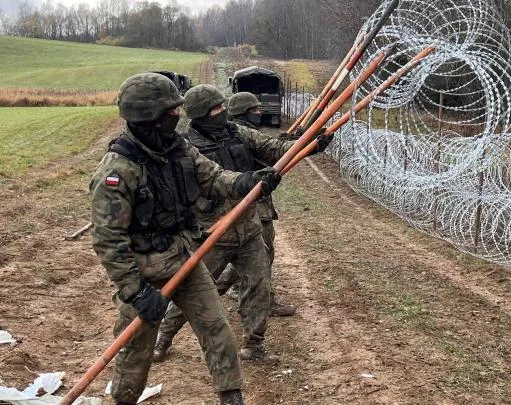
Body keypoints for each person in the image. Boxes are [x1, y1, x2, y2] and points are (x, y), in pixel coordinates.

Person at [90, 73, 282, 405]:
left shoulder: (179, 149)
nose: (177, 118)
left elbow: (214, 177)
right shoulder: (118, 171)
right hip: (144, 276)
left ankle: (232, 398)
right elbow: (109, 241)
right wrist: (135, 292)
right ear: (148, 118)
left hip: (186, 259)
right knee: (135, 353)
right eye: (170, 113)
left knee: (218, 332)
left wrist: (247, 183)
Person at [152, 85, 332, 363]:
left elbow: (274, 148)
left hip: (248, 227)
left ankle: (254, 345)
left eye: (223, 107)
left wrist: (310, 145)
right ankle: (163, 338)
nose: (222, 112)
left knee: (258, 285)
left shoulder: (238, 132)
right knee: (192, 289)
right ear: (200, 115)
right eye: (215, 110)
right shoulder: (185, 147)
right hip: (213, 231)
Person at [224, 92, 322, 317]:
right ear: (244, 112)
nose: (260, 113)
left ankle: (233, 287)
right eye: (255, 110)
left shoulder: (239, 132)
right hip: (254, 204)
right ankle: (262, 301)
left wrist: (294, 139)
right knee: (262, 254)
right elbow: (271, 155)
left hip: (247, 203)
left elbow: (273, 149)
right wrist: (309, 142)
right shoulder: (241, 133)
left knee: (250, 253)